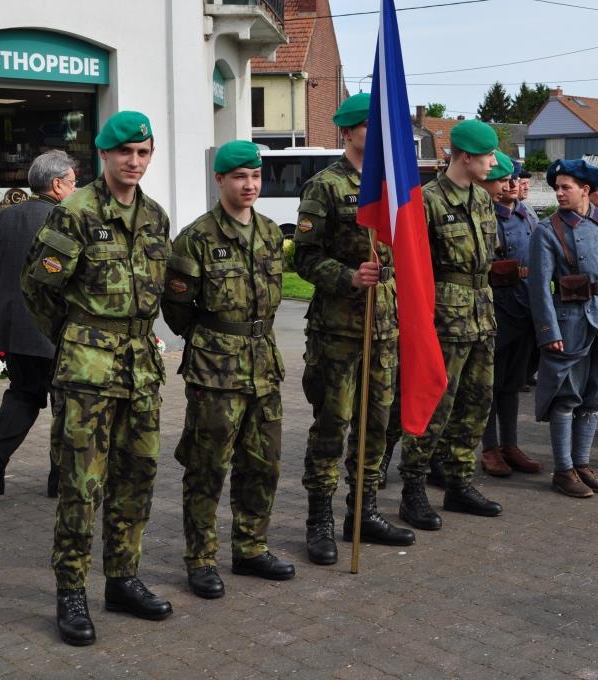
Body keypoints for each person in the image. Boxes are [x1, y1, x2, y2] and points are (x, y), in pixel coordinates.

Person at [21, 111, 172, 646]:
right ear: (105, 155)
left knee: (138, 476)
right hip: (88, 370)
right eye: (125, 152)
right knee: (83, 486)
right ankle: (71, 592)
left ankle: (123, 579)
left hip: (140, 368)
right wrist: (78, 338)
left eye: (144, 152)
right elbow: (39, 288)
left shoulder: (154, 216)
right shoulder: (75, 212)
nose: (135, 161)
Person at [161, 141, 294, 599]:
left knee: (264, 464)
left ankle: (251, 546)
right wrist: (212, 341)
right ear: (220, 180)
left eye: (255, 176)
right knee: (207, 467)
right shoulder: (197, 237)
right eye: (239, 177)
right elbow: (177, 307)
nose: (249, 185)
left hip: (265, 366)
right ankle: (200, 559)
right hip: (215, 372)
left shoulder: (273, 233)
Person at [292, 94, 414, 565]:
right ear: (348, 132)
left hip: (384, 327)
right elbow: (303, 256)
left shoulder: (394, 186)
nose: (377, 134)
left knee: (376, 428)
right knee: (332, 426)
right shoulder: (324, 187)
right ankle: (319, 521)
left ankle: (361, 513)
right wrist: (347, 277)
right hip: (338, 331)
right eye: (368, 126)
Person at [398, 119, 503, 530]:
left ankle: (459, 482)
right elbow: (413, 268)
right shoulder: (427, 201)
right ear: (465, 156)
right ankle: (413, 489)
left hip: (481, 312)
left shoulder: (481, 198)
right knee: (434, 406)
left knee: (476, 403)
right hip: (443, 317)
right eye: (487, 155)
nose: (493, 162)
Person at [529, 159, 598, 497]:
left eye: (565, 187)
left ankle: (582, 463)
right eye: (557, 187)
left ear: (585, 190)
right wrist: (548, 331)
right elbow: (540, 286)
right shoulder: (548, 230)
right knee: (566, 398)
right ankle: (563, 469)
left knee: (595, 397)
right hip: (568, 323)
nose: (559, 193)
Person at [0, 150, 76, 497]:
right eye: (72, 183)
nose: (75, 189)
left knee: (22, 393)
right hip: (57, 330)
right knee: (65, 404)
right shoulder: (67, 219)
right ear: (56, 184)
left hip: (14, 329)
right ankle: (59, 479)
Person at [479, 152, 542, 477]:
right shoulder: (486, 214)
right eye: (509, 178)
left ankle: (510, 444)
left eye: (515, 178)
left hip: (523, 311)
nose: (515, 184)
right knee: (490, 383)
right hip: (495, 312)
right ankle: (489, 447)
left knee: (512, 383)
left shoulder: (526, 216)